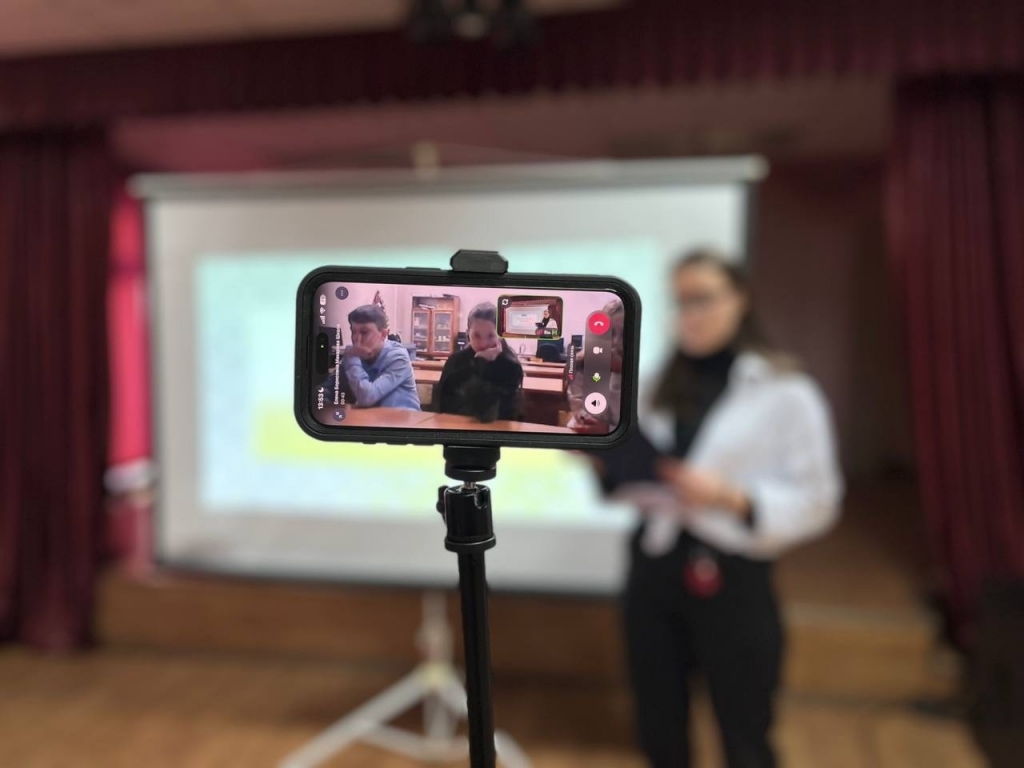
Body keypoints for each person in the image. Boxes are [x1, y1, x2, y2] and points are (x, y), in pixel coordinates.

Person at [602, 249, 843, 768]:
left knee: (745, 733)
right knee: (659, 728)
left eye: (703, 299)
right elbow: (633, 471)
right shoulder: (656, 382)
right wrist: (604, 462)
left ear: (741, 300)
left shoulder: (788, 392)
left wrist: (731, 496)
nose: (689, 314)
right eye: (679, 302)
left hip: (734, 574)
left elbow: (820, 500)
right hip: (654, 567)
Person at [435, 302, 523, 422]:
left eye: (491, 336)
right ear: (468, 334)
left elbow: (486, 414)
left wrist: (482, 362)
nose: (483, 343)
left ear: (500, 336)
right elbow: (442, 405)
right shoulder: (455, 361)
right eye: (476, 335)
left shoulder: (510, 366)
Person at [342, 305, 420, 411]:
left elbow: (367, 397)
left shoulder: (398, 357)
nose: (356, 339)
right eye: (353, 332)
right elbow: (329, 390)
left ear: (383, 334)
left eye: (364, 332)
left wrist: (352, 357)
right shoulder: (353, 355)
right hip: (369, 418)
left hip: (404, 418)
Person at [565, 298, 624, 434]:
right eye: (611, 332)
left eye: (625, 334)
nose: (616, 342)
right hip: (583, 435)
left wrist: (618, 373)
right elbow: (586, 416)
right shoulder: (581, 365)